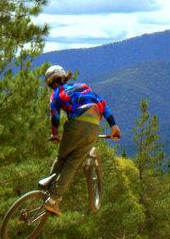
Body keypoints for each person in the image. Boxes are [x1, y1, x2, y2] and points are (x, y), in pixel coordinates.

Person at [38, 64, 120, 214]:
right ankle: (52, 197)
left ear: (51, 82)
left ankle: (49, 194)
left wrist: (55, 134)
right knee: (73, 163)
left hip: (76, 124)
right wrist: (113, 126)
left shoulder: (56, 93)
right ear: (64, 76)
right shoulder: (83, 86)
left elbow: (54, 115)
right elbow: (102, 104)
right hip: (94, 126)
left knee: (62, 158)